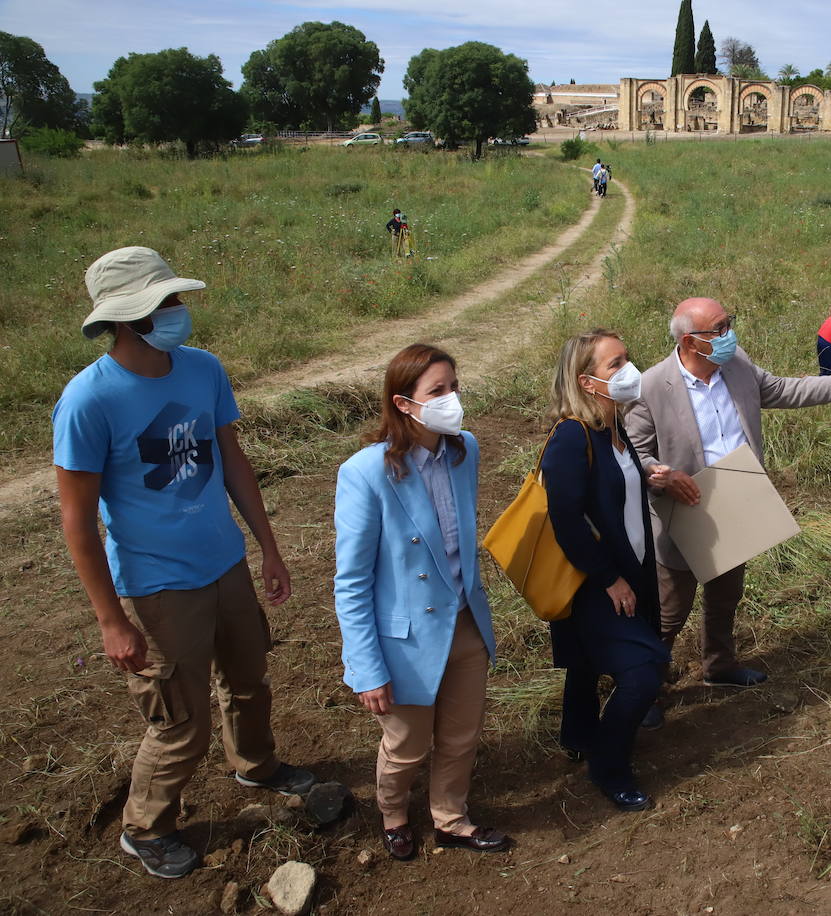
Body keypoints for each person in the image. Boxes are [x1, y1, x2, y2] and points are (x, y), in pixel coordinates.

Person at [53, 247, 316, 880]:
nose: (178, 311)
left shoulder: (203, 371)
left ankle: (255, 766)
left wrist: (268, 547)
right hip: (158, 584)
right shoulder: (88, 401)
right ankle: (146, 827)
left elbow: (233, 462)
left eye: (176, 298)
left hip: (224, 564)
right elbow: (77, 522)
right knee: (180, 718)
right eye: (164, 302)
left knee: (249, 679)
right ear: (125, 317)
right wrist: (111, 621)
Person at [625, 298, 831, 697]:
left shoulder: (737, 363)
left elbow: (778, 389)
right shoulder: (652, 386)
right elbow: (635, 454)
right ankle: (648, 688)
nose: (730, 334)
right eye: (721, 327)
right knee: (669, 609)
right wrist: (660, 475)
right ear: (692, 342)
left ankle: (719, 665)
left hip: (736, 495)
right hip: (684, 508)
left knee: (726, 593)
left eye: (730, 323)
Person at [334, 343, 509, 860]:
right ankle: (392, 814)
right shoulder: (366, 472)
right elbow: (352, 581)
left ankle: (451, 818)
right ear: (404, 403)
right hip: (405, 639)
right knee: (407, 744)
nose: (451, 399)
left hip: (465, 621)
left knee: (460, 735)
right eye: (437, 391)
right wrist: (366, 667)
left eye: (454, 386)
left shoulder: (465, 450)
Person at [540, 329, 667, 811]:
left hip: (631, 571)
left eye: (627, 359)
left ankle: (576, 733)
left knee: (587, 663)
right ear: (586, 381)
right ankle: (608, 766)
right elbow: (566, 519)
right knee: (643, 673)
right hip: (595, 583)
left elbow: (613, 495)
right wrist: (608, 578)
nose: (628, 371)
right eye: (615, 365)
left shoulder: (613, 429)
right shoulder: (573, 436)